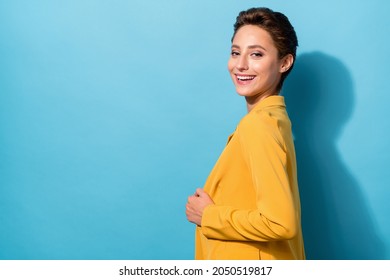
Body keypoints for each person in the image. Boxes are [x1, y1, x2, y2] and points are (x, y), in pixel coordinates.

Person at [185, 7, 305, 260]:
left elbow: (281, 223)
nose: (240, 65)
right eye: (235, 52)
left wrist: (208, 216)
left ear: (284, 62)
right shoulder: (275, 120)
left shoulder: (258, 126)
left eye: (256, 54)